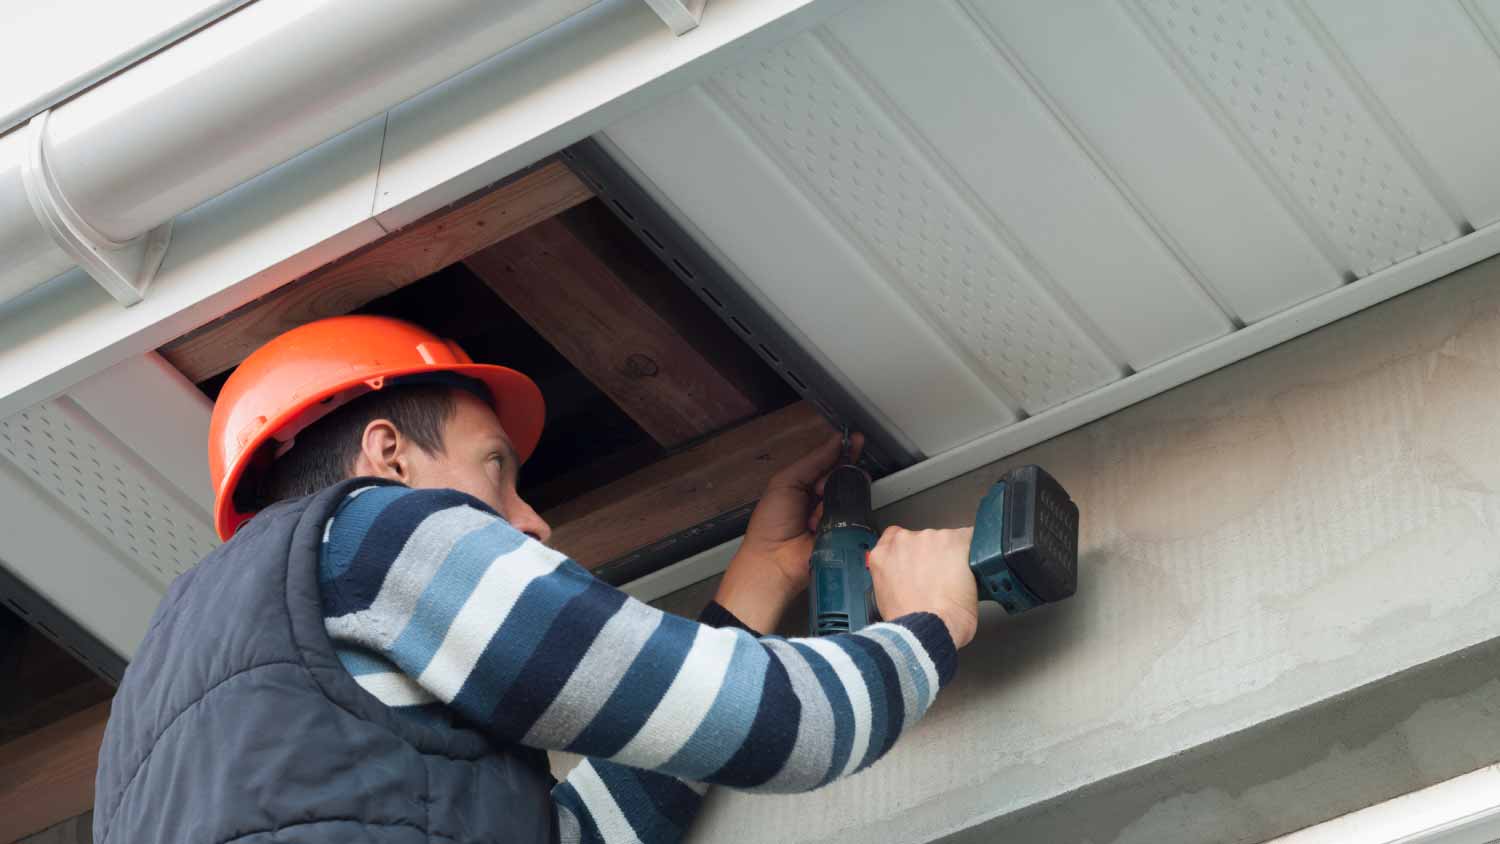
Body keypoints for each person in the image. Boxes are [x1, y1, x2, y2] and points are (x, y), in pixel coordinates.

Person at [92, 315, 980, 844]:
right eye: (495, 469)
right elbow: (786, 733)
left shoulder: (150, 717)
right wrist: (924, 627)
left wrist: (755, 584)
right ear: (387, 454)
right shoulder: (374, 531)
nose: (530, 519)